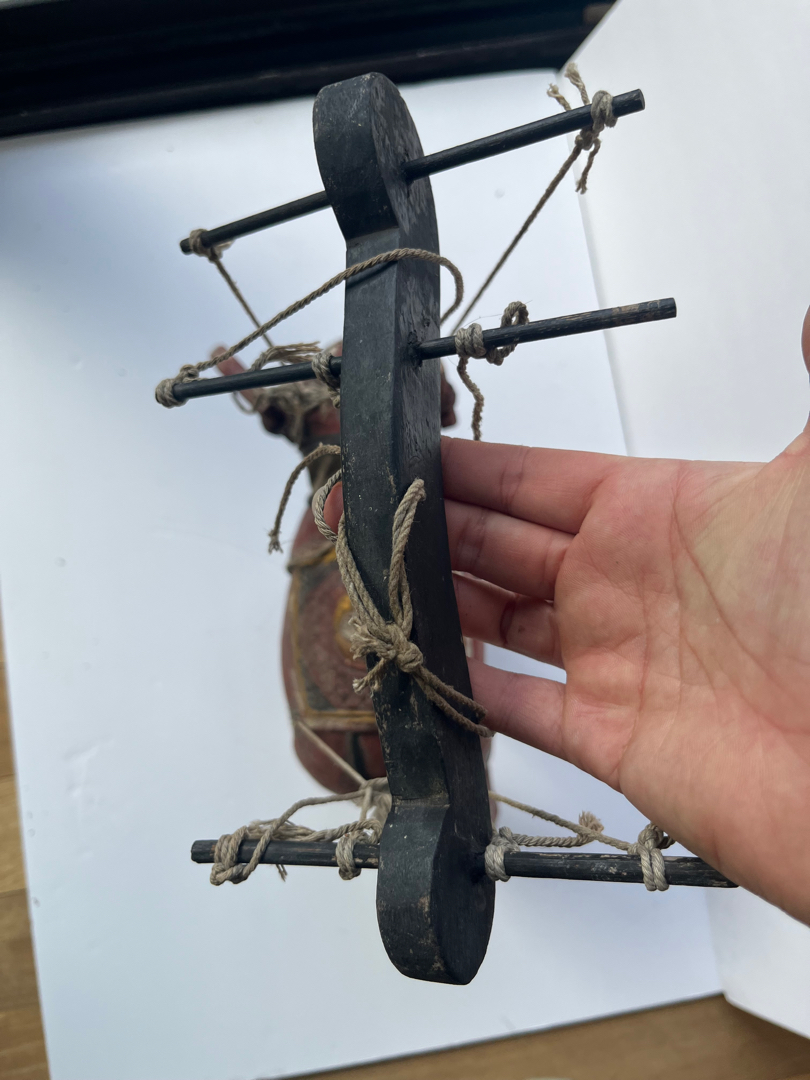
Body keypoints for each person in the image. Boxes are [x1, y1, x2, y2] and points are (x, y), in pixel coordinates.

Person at [226, 308, 810, 926]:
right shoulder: (328, 486)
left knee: (434, 643)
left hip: (378, 554)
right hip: (346, 556)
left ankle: (449, 797)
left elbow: (434, 410)